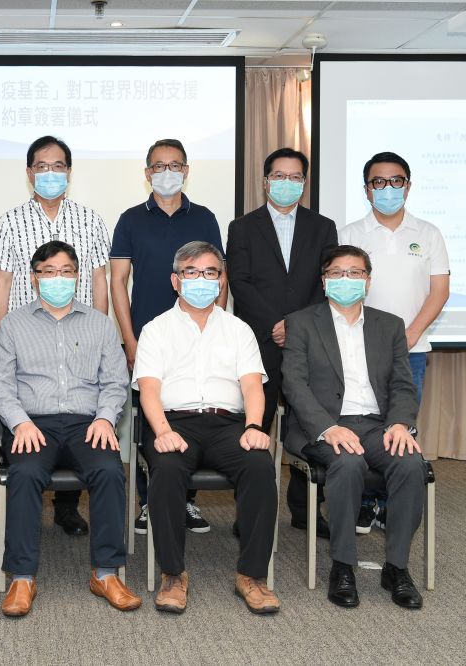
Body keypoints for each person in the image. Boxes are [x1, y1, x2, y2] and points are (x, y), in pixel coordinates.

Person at [0, 241, 140, 617]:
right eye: (49, 272)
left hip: (87, 423)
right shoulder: (12, 325)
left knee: (108, 470)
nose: (59, 279)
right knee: (23, 473)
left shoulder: (101, 325)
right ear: (34, 278)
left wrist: (105, 417)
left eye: (67, 271)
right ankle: (21, 578)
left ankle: (106, 573)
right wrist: (19, 422)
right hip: (32, 423)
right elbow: (0, 386)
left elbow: (116, 382)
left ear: (78, 276)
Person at [133, 241, 279, 615]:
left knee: (260, 466)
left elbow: (251, 385)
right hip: (174, 421)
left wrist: (254, 425)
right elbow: (149, 388)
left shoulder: (238, 329)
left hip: (228, 423)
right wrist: (162, 430)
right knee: (165, 471)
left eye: (210, 272)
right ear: (175, 281)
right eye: (191, 272)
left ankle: (252, 576)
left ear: (221, 280)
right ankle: (173, 574)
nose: (202, 280)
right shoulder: (155, 329)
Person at [282, 244, 426, 609]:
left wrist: (400, 424)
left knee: (411, 463)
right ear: (324, 280)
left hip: (377, 425)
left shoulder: (389, 326)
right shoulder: (301, 323)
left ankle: (396, 567)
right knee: (347, 464)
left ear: (368, 280)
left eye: (355, 272)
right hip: (324, 426)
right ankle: (342, 565)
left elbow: (403, 385)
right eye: (337, 272)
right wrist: (327, 428)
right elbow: (294, 384)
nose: (346, 279)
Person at [0, 135, 112, 537]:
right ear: (29, 173)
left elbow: (98, 279)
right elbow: (2, 282)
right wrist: (4, 333)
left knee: (77, 412)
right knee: (38, 415)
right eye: (42, 166)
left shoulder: (90, 218)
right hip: (28, 335)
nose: (50, 173)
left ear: (69, 172)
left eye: (58, 166)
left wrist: (99, 330)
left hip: (80, 330)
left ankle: (66, 507)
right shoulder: (10, 219)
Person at [110, 138, 226, 535]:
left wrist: (217, 329)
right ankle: (148, 501)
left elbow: (218, 277)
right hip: (147, 337)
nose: (167, 172)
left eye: (175, 165)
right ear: (147, 173)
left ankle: (187, 501)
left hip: (198, 335)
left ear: (186, 171)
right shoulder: (130, 219)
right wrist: (129, 339)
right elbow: (118, 282)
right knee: (149, 417)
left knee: (192, 410)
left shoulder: (205, 217)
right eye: (158, 166)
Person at [226, 147, 338, 536]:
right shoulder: (242, 227)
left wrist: (295, 325)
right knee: (256, 424)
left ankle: (306, 509)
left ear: (304, 184)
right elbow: (239, 282)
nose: (286, 183)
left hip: (308, 339)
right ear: (265, 180)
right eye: (279, 176)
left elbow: (327, 283)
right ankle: (250, 513)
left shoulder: (323, 227)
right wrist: (275, 324)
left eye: (295, 178)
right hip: (259, 339)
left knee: (309, 422)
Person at [339, 151, 449, 535]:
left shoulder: (428, 233)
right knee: (362, 422)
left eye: (396, 181)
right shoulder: (350, 234)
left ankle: (389, 504)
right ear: (367, 190)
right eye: (378, 182)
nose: (388, 189)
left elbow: (439, 290)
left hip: (412, 349)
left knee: (399, 427)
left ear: (408, 185)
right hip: (357, 350)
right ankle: (366, 504)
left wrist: (412, 333)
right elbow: (339, 289)